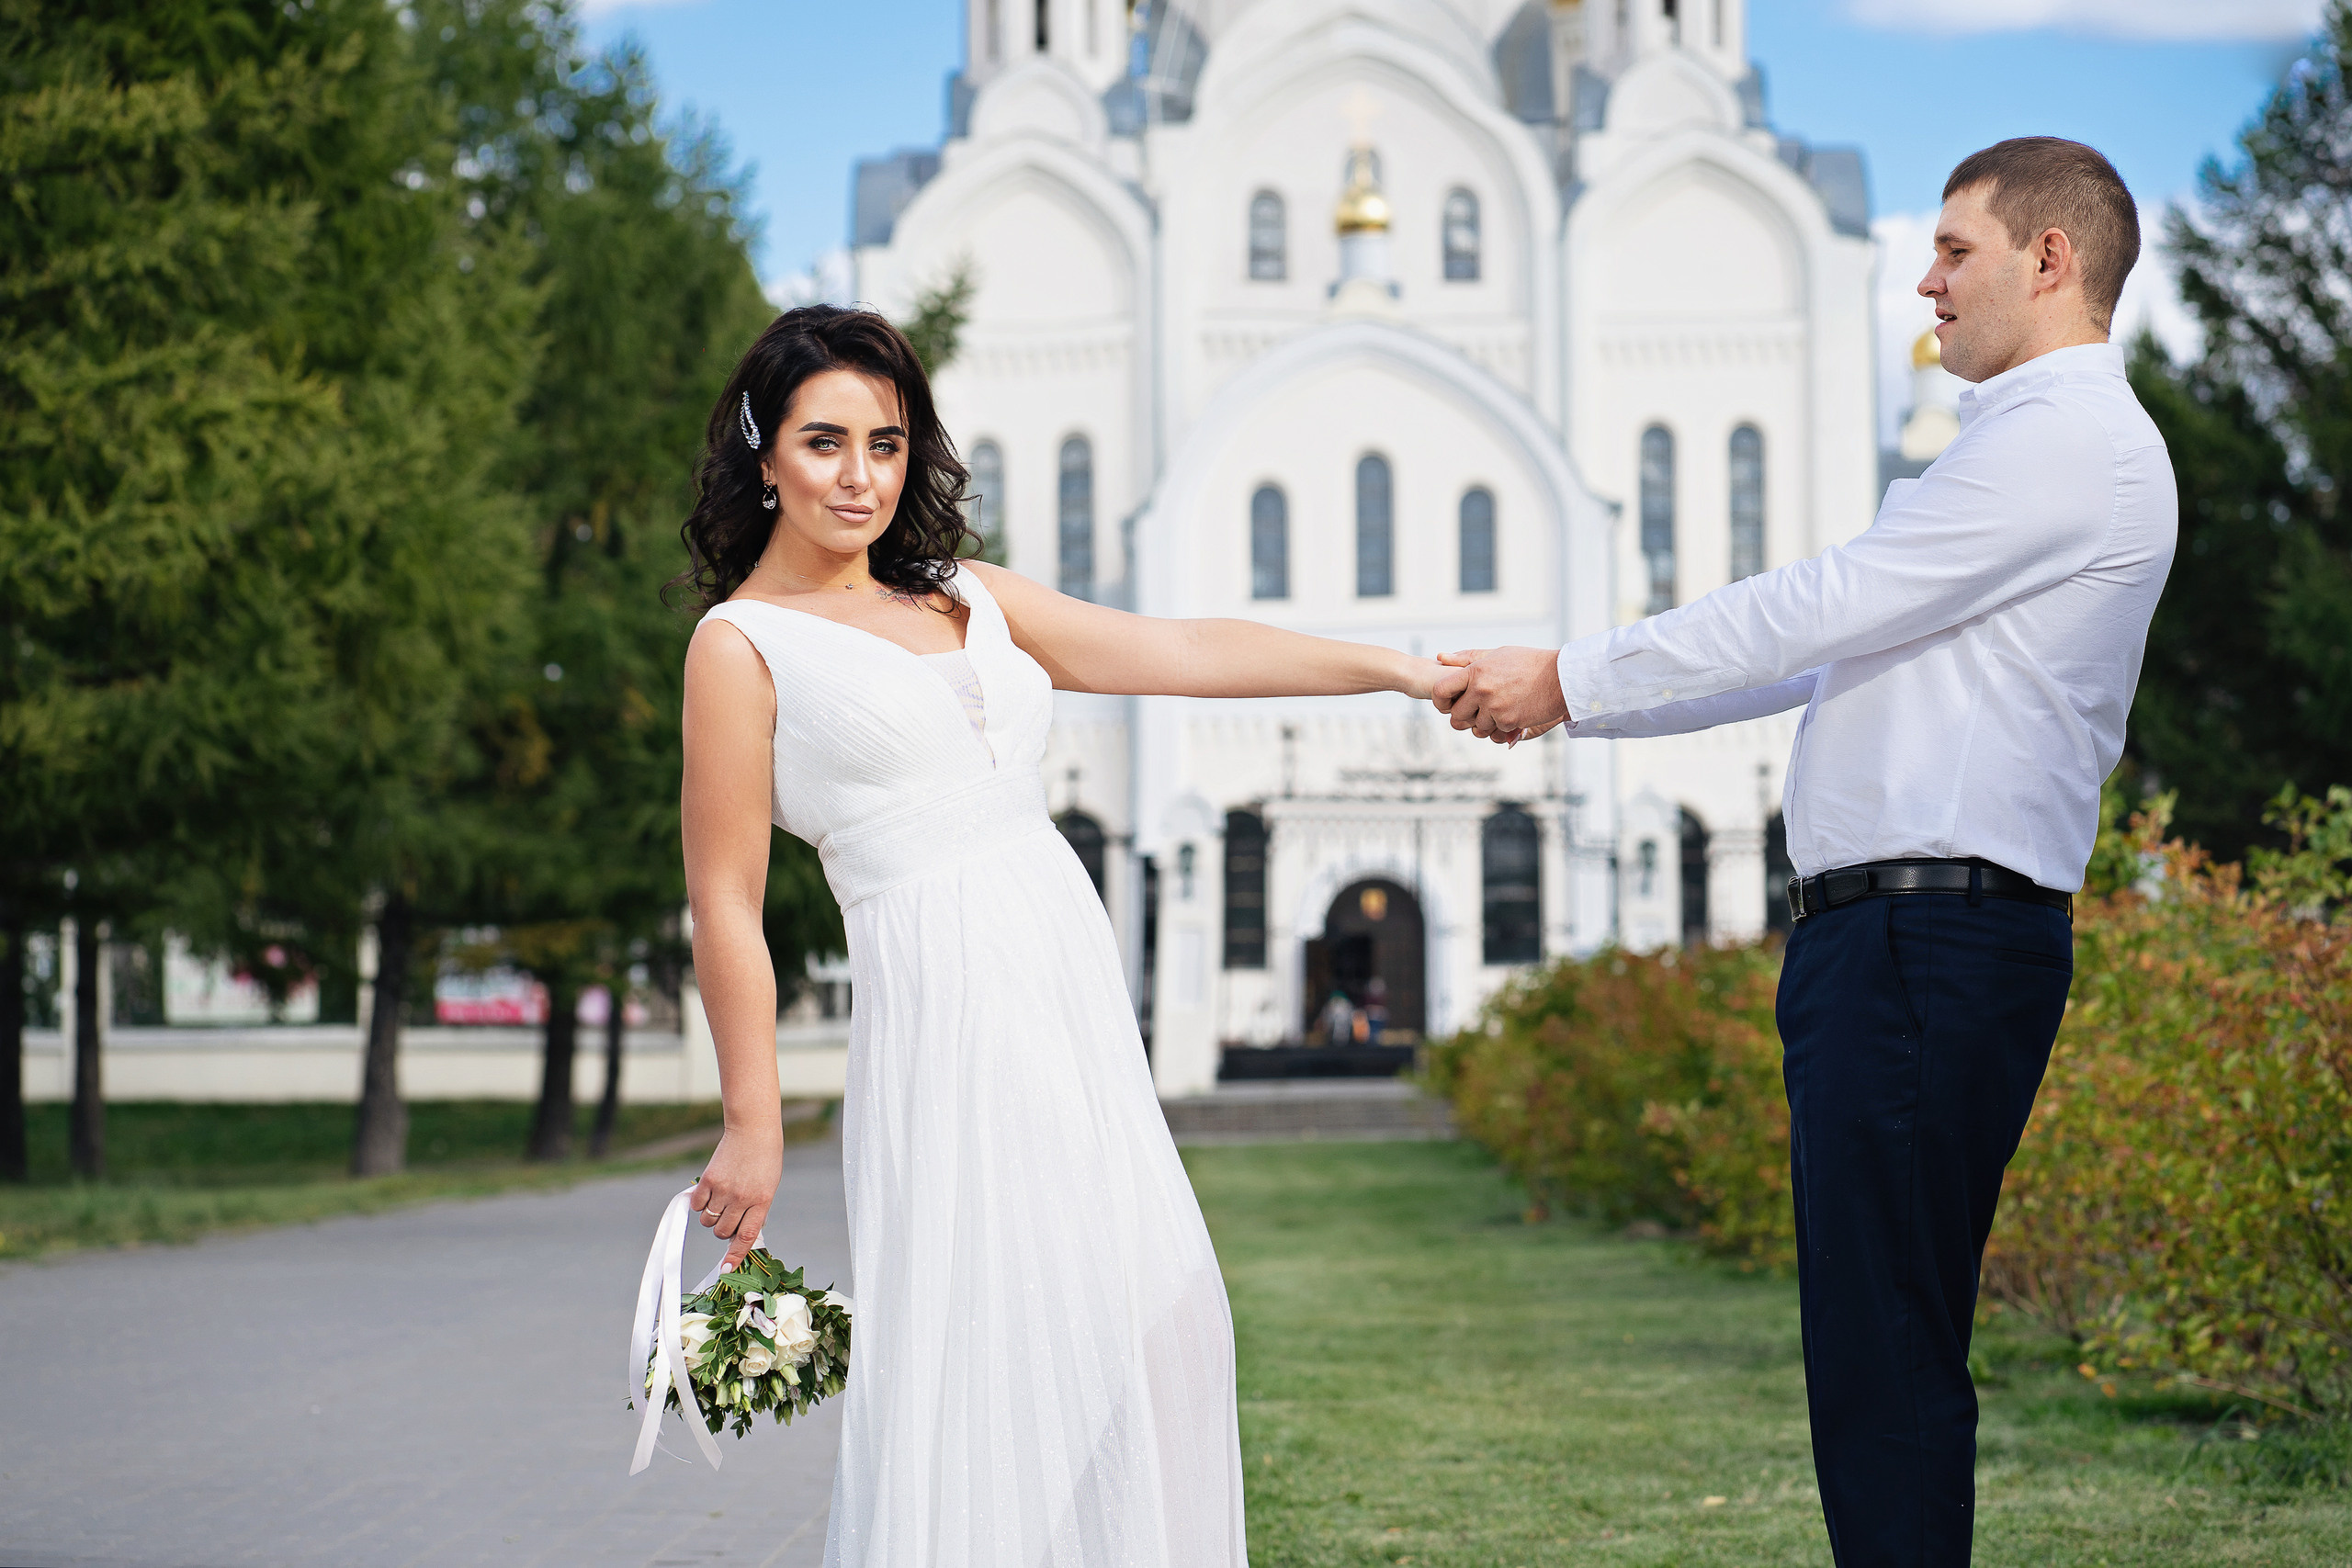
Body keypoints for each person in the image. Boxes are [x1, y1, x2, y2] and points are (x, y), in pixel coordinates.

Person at [1431, 138, 2176, 1565]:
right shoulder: (2025, 444)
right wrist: (1566, 702)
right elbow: (1814, 659)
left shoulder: (2066, 439)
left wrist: (1569, 676)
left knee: (1884, 1342)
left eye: (1954, 250)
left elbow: (1821, 603)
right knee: (1876, 1332)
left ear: (2050, 259)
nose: (1926, 280)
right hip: (1904, 939)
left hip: (1927, 938)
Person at [676, 304, 1439, 1567]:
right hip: (944, 1002)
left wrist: (1400, 671)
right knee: (999, 1354)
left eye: (885, 442)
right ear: (765, 457)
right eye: (824, 442)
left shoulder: (965, 595)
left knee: (1171, 1323)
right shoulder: (740, 645)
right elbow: (724, 899)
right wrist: (752, 1123)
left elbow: (1181, 650)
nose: (860, 475)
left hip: (1068, 992)